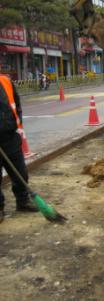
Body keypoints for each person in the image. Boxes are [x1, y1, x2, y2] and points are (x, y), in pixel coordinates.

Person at [0, 74, 38, 224]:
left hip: (10, 137)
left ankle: (23, 201)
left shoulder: (5, 80)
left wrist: (18, 124)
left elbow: (16, 104)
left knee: (21, 172)